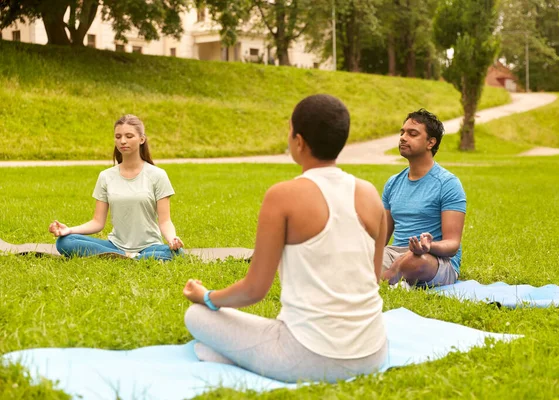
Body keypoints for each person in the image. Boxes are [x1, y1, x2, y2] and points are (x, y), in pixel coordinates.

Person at [183, 94, 388, 383]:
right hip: (373, 352)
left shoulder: (282, 196)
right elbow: (374, 277)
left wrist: (206, 297)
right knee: (237, 335)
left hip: (308, 356)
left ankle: (239, 356)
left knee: (196, 317)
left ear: (299, 141)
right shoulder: (369, 193)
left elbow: (255, 290)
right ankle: (238, 354)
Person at [48, 114, 184, 261]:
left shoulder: (157, 175)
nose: (123, 141)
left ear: (142, 139)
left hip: (149, 246)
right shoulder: (106, 176)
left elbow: (165, 221)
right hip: (115, 245)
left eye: (129, 136)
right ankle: (130, 257)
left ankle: (127, 257)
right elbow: (97, 222)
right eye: (118, 137)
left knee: (178, 254)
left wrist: (172, 240)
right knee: (65, 242)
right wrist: (69, 230)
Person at [380, 109, 466, 289]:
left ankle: (382, 282)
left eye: (412, 134)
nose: (403, 137)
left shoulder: (448, 183)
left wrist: (428, 246)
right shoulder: (392, 183)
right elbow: (381, 239)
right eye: (402, 132)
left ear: (430, 142)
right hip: (397, 253)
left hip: (435, 259)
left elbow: (452, 244)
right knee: (358, 257)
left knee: (415, 261)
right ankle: (393, 280)